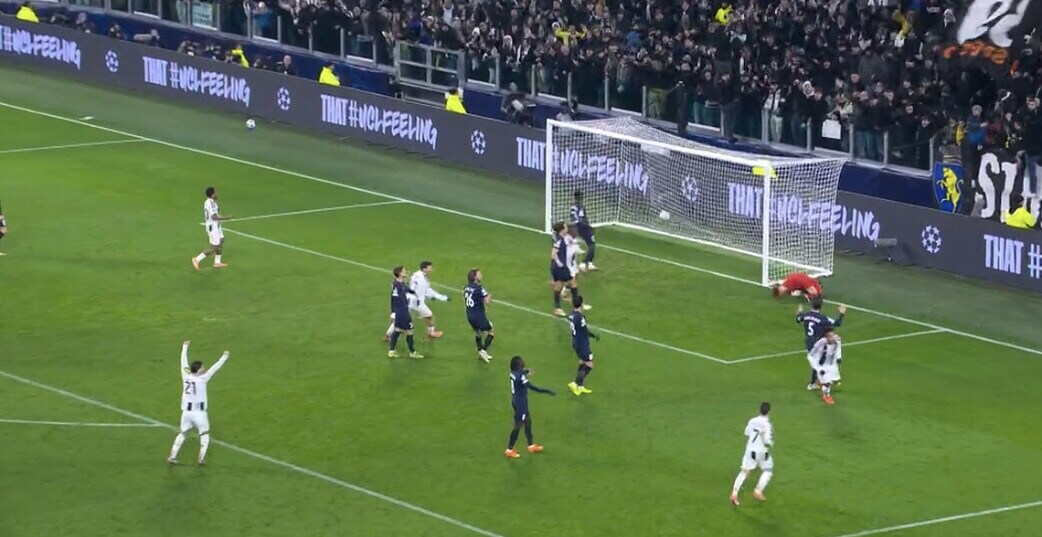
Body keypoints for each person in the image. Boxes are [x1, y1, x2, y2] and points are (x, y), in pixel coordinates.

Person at [168, 341, 230, 466]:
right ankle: (201, 458)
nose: (204, 368)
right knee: (204, 433)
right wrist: (224, 356)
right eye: (202, 367)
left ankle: (172, 456)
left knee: (182, 433)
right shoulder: (203, 378)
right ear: (198, 370)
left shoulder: (185, 375)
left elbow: (183, 362)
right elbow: (215, 368)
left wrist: (185, 347)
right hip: (199, 413)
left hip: (186, 413)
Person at [504, 355, 555, 459]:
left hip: (517, 400)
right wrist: (547, 391)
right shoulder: (521, 376)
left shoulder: (513, 373)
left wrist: (526, 372)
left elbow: (520, 374)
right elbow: (532, 387)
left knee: (528, 421)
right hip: (520, 403)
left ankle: (531, 445)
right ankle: (509, 450)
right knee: (518, 425)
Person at [385, 261, 447, 340]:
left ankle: (388, 335)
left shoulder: (417, 274)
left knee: (399, 319)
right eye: (430, 267)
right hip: (416, 301)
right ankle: (431, 333)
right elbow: (421, 290)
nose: (431, 269)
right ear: (424, 269)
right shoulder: (421, 278)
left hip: (408, 300)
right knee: (430, 316)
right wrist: (433, 295)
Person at [729, 402, 773, 506]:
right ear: (769, 412)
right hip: (760, 452)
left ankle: (734, 494)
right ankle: (758, 491)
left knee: (744, 472)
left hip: (750, 450)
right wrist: (770, 442)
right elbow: (767, 441)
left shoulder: (752, 420)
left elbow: (747, 432)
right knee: (768, 470)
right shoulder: (767, 425)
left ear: (760, 410)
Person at [796, 298, 846, 390]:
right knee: (820, 362)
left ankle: (823, 380)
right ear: (821, 306)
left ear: (812, 305)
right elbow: (837, 323)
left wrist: (799, 312)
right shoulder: (823, 319)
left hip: (809, 342)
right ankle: (813, 384)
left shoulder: (806, 315)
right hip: (818, 343)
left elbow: (798, 319)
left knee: (819, 361)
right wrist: (841, 314)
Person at [388, 266, 423, 359]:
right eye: (403, 271)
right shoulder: (399, 286)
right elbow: (400, 295)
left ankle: (392, 351)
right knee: (409, 331)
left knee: (398, 330)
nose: (405, 272)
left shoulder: (398, 284)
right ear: (399, 273)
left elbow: (408, 290)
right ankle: (412, 352)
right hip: (403, 312)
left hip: (400, 312)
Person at [567, 295, 598, 396]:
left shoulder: (571, 315)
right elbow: (585, 331)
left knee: (582, 362)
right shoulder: (580, 317)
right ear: (581, 304)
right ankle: (576, 383)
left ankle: (579, 386)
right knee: (589, 364)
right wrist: (594, 336)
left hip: (575, 342)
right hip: (582, 344)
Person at [192, 187, 230, 270]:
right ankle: (197, 259)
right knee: (215, 246)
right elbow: (214, 217)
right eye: (216, 192)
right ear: (212, 194)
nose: (217, 193)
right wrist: (226, 217)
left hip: (216, 225)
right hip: (212, 226)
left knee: (221, 240)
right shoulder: (210, 203)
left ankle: (217, 262)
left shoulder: (212, 202)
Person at [550, 222, 581, 316]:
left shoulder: (559, 237)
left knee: (558, 285)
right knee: (573, 282)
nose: (567, 228)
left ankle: (557, 308)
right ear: (562, 230)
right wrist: (561, 265)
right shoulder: (559, 240)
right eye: (566, 227)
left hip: (556, 266)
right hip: (560, 267)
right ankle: (576, 307)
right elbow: (553, 255)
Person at [463, 268, 494, 363]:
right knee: (491, 330)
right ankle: (483, 350)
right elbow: (487, 301)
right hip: (478, 315)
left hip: (469, 315)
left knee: (478, 332)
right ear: (475, 277)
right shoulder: (479, 288)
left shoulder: (466, 287)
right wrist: (489, 297)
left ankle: (480, 352)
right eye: (479, 274)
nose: (482, 276)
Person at [808, 328, 842, 405]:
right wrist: (819, 369)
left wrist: (839, 357)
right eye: (830, 336)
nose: (833, 338)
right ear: (826, 337)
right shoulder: (820, 344)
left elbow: (838, 348)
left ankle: (820, 382)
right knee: (827, 382)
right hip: (821, 365)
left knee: (835, 379)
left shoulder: (837, 340)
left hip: (831, 364)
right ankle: (826, 396)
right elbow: (811, 357)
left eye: (833, 335)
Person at [570, 190, 597, 271]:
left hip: (575, 227)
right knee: (591, 244)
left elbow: (573, 218)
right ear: (579, 197)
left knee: (572, 244)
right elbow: (583, 219)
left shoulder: (572, 206)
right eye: (581, 195)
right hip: (582, 226)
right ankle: (584, 263)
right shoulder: (581, 206)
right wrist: (589, 227)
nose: (582, 197)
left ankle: (589, 263)